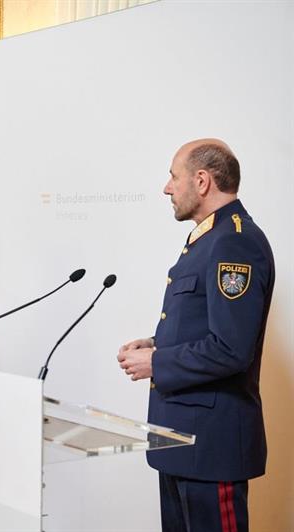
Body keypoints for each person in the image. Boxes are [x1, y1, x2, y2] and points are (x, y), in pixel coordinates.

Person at [117, 139, 275, 532]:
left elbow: (231, 349)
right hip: (180, 440)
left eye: (174, 176)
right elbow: (207, 325)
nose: (167, 188)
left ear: (202, 181)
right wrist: (156, 345)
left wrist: (157, 362)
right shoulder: (209, 239)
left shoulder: (234, 240)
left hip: (211, 445)